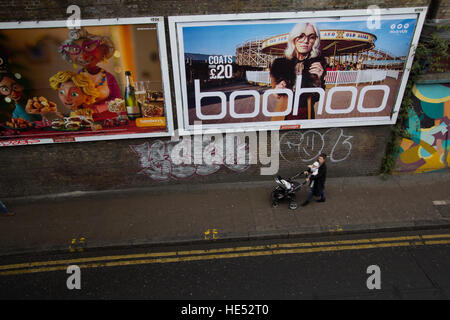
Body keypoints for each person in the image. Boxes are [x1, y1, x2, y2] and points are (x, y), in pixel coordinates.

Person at [58, 28, 121, 120]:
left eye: (88, 47)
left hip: (109, 118)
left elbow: (117, 99)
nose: (83, 55)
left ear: (103, 50)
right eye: (75, 49)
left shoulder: (108, 77)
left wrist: (98, 108)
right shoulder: (76, 79)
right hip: (85, 118)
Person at [283, 22, 326, 120]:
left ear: (315, 40)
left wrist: (318, 81)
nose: (305, 41)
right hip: (284, 111)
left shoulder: (318, 64)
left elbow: (317, 98)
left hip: (305, 112)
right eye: (301, 36)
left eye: (311, 37)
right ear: (293, 38)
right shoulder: (284, 63)